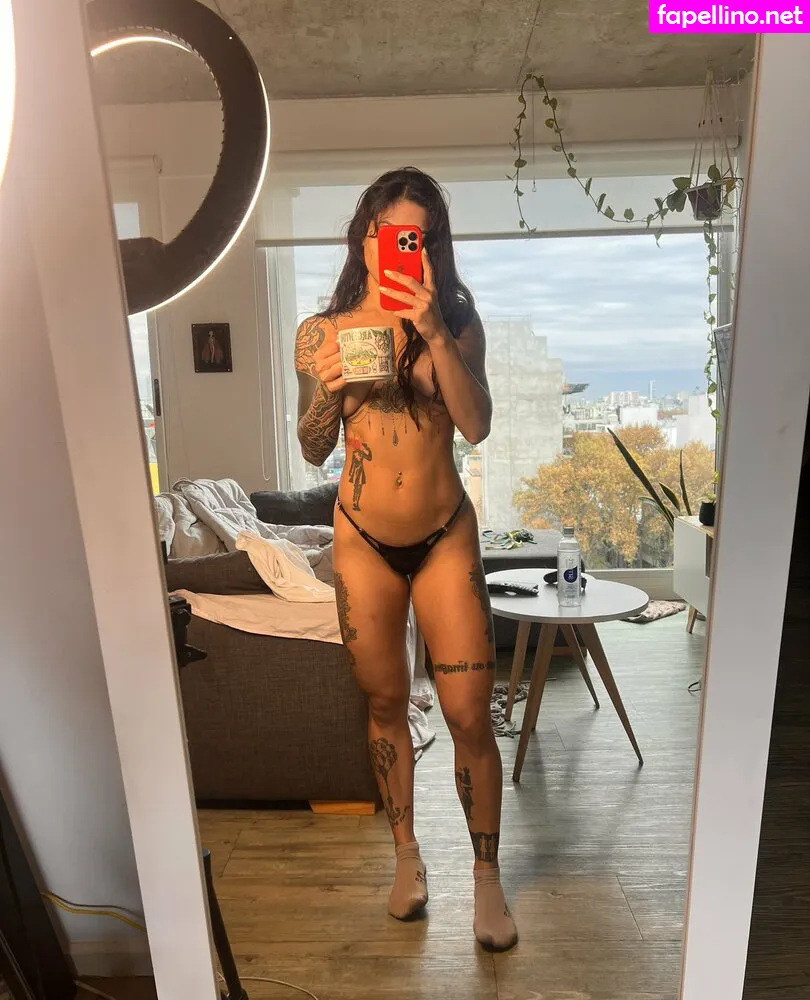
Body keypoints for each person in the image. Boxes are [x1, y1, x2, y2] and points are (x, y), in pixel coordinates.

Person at [294, 167, 517, 951]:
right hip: (363, 538)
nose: (397, 248)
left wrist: (432, 333)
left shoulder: (455, 320)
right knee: (386, 704)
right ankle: (407, 858)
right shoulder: (322, 333)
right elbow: (312, 445)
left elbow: (477, 424)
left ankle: (486, 878)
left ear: (431, 245)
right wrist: (330, 393)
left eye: (413, 237)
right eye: (387, 234)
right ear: (365, 239)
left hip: (444, 534)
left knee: (469, 713)